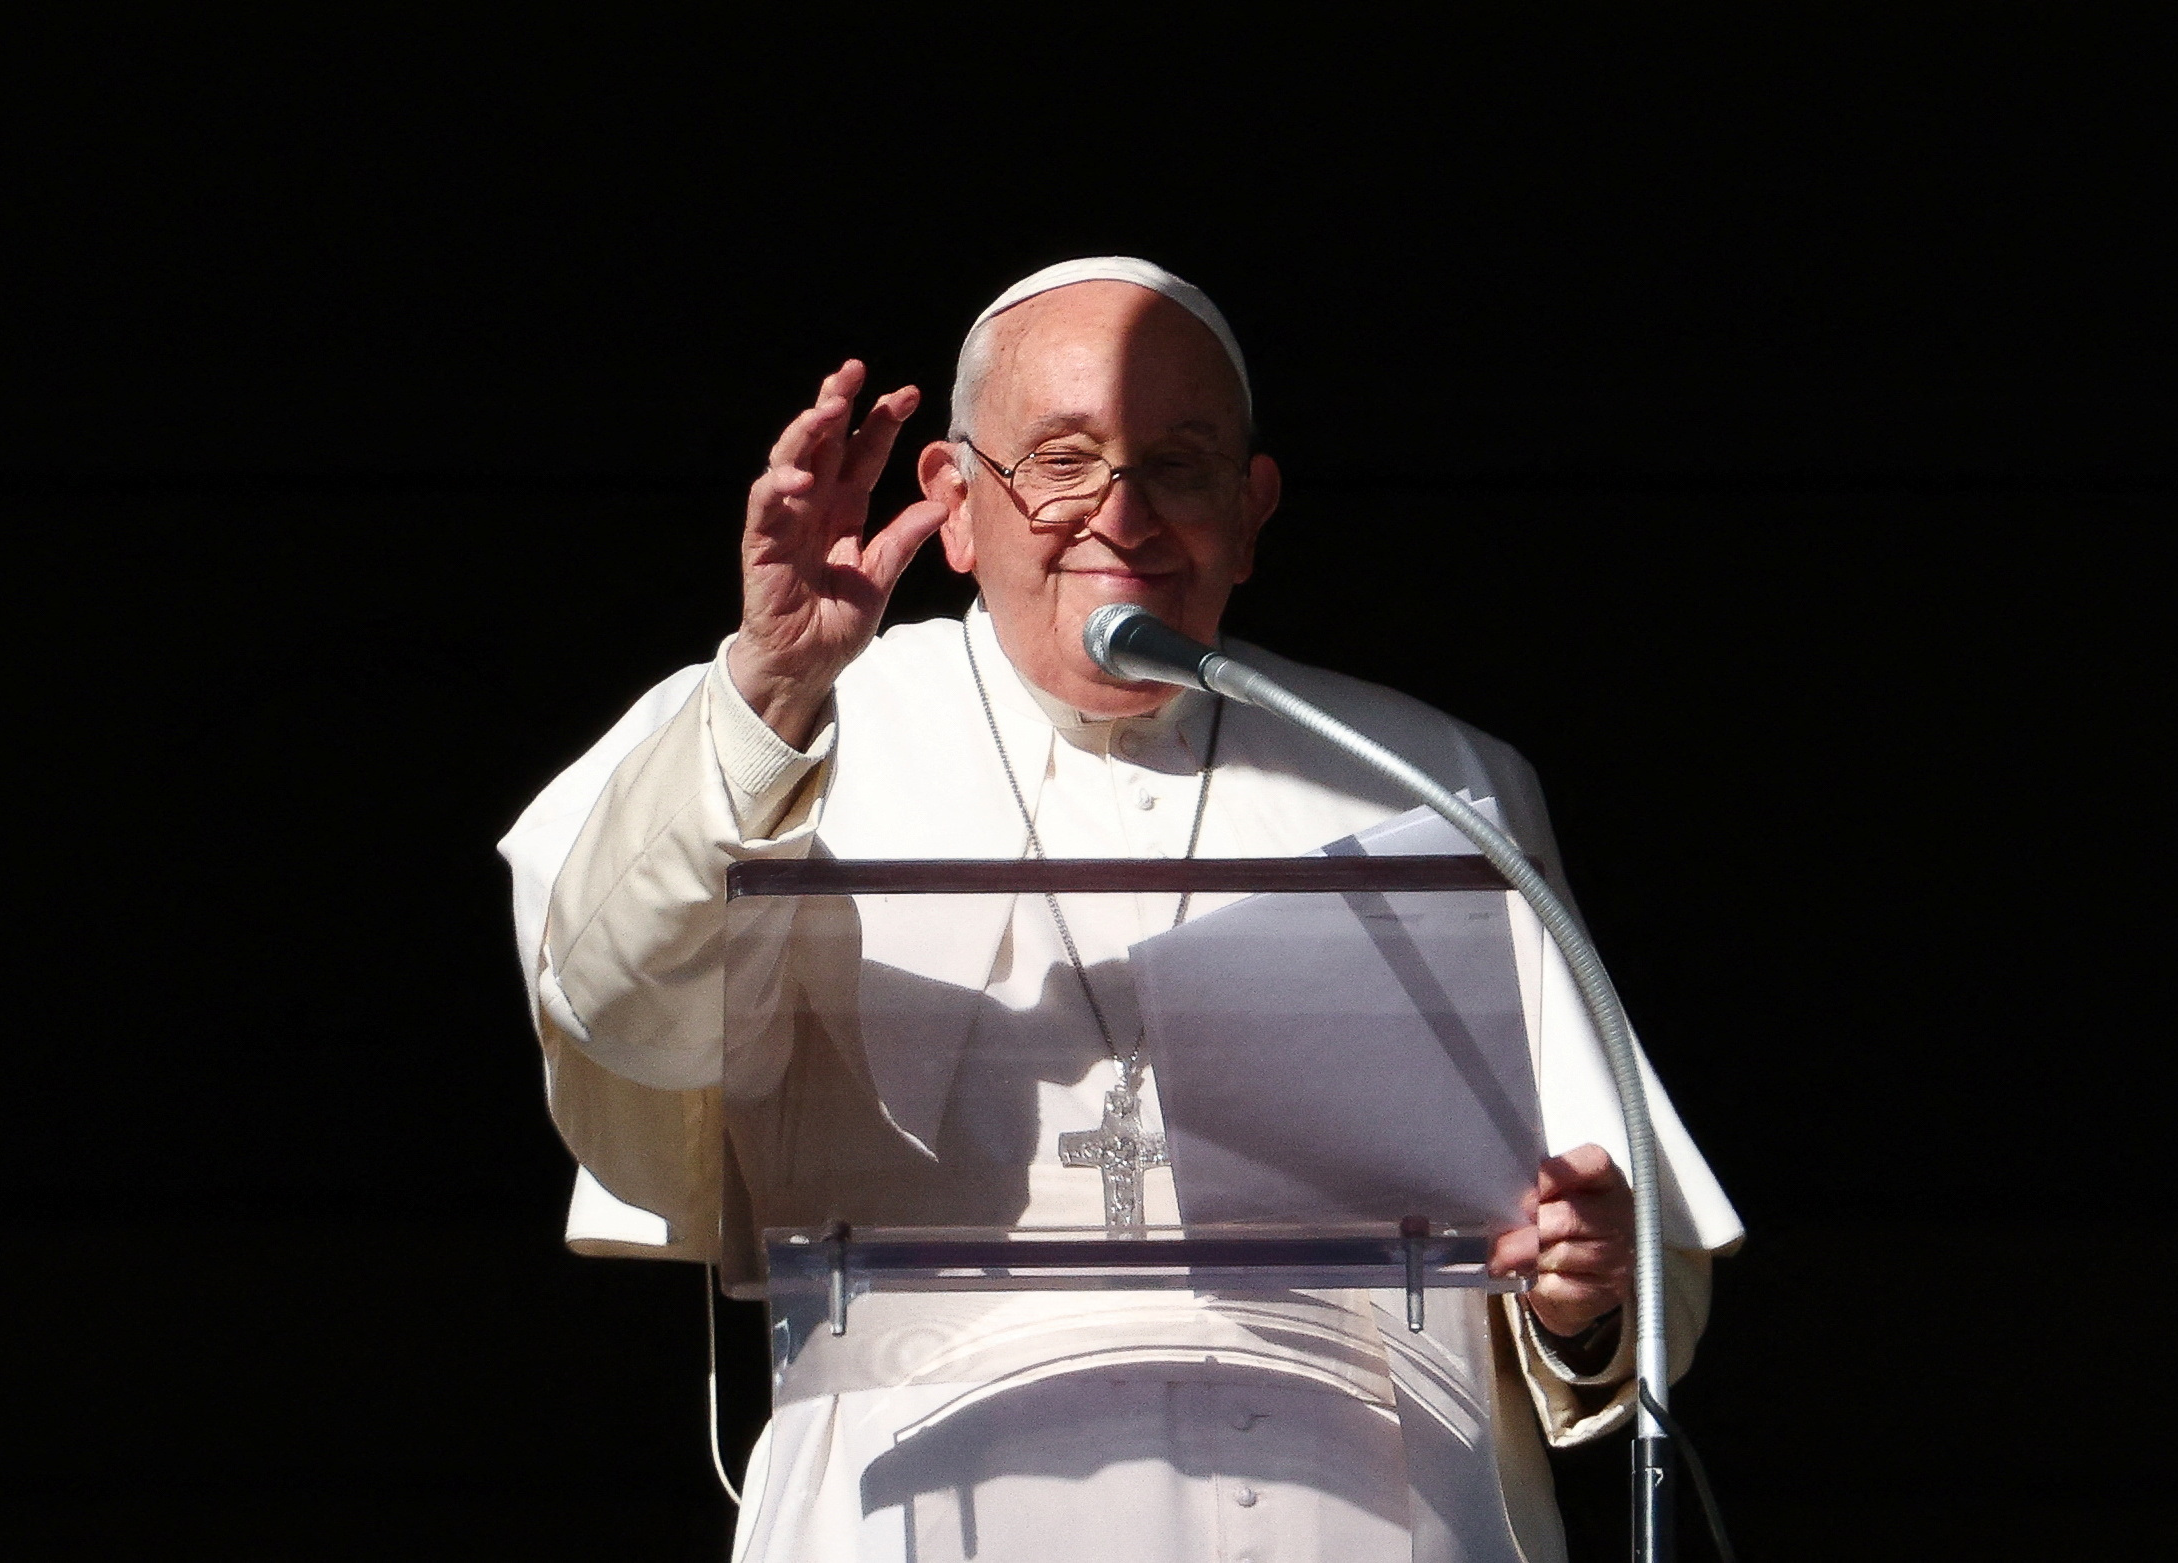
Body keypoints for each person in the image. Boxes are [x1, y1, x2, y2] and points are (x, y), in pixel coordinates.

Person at [499, 257, 1742, 1562]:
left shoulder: (1431, 777)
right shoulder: (774, 726)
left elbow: (1604, 1249)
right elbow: (629, 1023)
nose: (1122, 516)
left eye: (1180, 464)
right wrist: (768, 694)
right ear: (954, 501)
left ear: (1249, 511)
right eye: (1061, 459)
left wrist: (1582, 1291)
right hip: (932, 1500)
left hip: (1385, 1512)